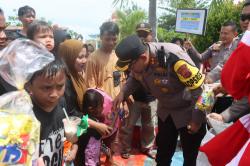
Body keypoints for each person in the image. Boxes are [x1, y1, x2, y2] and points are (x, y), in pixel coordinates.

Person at [113, 35, 206, 166]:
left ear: (143, 58)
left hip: (188, 111)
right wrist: (123, 93)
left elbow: (200, 90)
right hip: (166, 112)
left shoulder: (173, 57)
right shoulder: (139, 62)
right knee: (163, 154)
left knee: (190, 156)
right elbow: (134, 78)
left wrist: (197, 119)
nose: (130, 70)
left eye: (130, 66)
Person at [207, 0, 250, 123]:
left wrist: (225, 116)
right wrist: (208, 78)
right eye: (243, 17)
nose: (246, 21)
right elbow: (225, 65)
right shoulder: (240, 41)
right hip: (238, 106)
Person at [119, 22, 156, 159]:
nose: (142, 37)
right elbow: (129, 78)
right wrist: (124, 94)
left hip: (152, 98)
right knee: (129, 125)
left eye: (145, 34)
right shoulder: (132, 54)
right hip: (134, 98)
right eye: (139, 34)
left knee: (150, 126)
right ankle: (125, 148)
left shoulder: (155, 55)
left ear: (151, 35)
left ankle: (147, 147)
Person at [26, 58, 69, 166]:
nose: (54, 94)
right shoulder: (26, 115)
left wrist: (73, 147)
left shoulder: (62, 104)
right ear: (28, 86)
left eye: (60, 86)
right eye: (46, 88)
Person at [75, 88, 118, 166]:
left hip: (89, 157)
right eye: (101, 105)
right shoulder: (90, 123)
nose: (104, 106)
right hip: (87, 160)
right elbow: (108, 131)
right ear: (91, 109)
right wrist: (115, 115)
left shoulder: (89, 120)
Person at [85, 21, 124, 100]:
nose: (111, 42)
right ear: (101, 37)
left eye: (114, 39)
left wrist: (124, 101)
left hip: (118, 104)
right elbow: (91, 87)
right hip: (102, 105)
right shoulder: (93, 58)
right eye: (107, 39)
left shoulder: (118, 56)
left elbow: (121, 81)